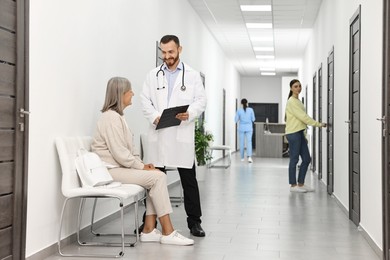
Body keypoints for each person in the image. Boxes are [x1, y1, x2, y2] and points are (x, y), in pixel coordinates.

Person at [91, 77, 194, 246]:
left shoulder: (117, 117)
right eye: (129, 91)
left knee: (156, 175)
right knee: (158, 177)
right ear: (121, 94)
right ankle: (168, 232)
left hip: (118, 168)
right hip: (110, 170)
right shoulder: (111, 118)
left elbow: (127, 152)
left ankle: (148, 229)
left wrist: (143, 166)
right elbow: (120, 153)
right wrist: (141, 166)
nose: (132, 93)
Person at [140, 35, 207, 237]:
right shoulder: (153, 75)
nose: (167, 56)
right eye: (163, 52)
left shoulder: (193, 75)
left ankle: (195, 222)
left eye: (170, 51)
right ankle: (148, 223)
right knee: (154, 180)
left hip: (181, 133)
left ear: (179, 49)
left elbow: (201, 101)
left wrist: (191, 113)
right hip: (158, 133)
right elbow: (145, 99)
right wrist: (153, 116)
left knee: (189, 181)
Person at [285, 79, 327, 193]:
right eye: (295, 86)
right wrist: (318, 124)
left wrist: (303, 134)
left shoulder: (298, 101)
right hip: (293, 133)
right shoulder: (292, 101)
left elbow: (301, 120)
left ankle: (301, 183)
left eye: (299, 86)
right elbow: (303, 117)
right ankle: (293, 186)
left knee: (307, 159)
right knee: (294, 159)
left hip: (299, 133)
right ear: (291, 88)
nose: (298, 88)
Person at [235, 98, 255, 163]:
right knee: (249, 142)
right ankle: (249, 157)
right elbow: (253, 119)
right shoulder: (251, 110)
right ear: (247, 103)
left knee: (241, 142)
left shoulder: (239, 110)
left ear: (241, 103)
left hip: (241, 128)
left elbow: (235, 120)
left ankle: (242, 157)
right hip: (249, 128)